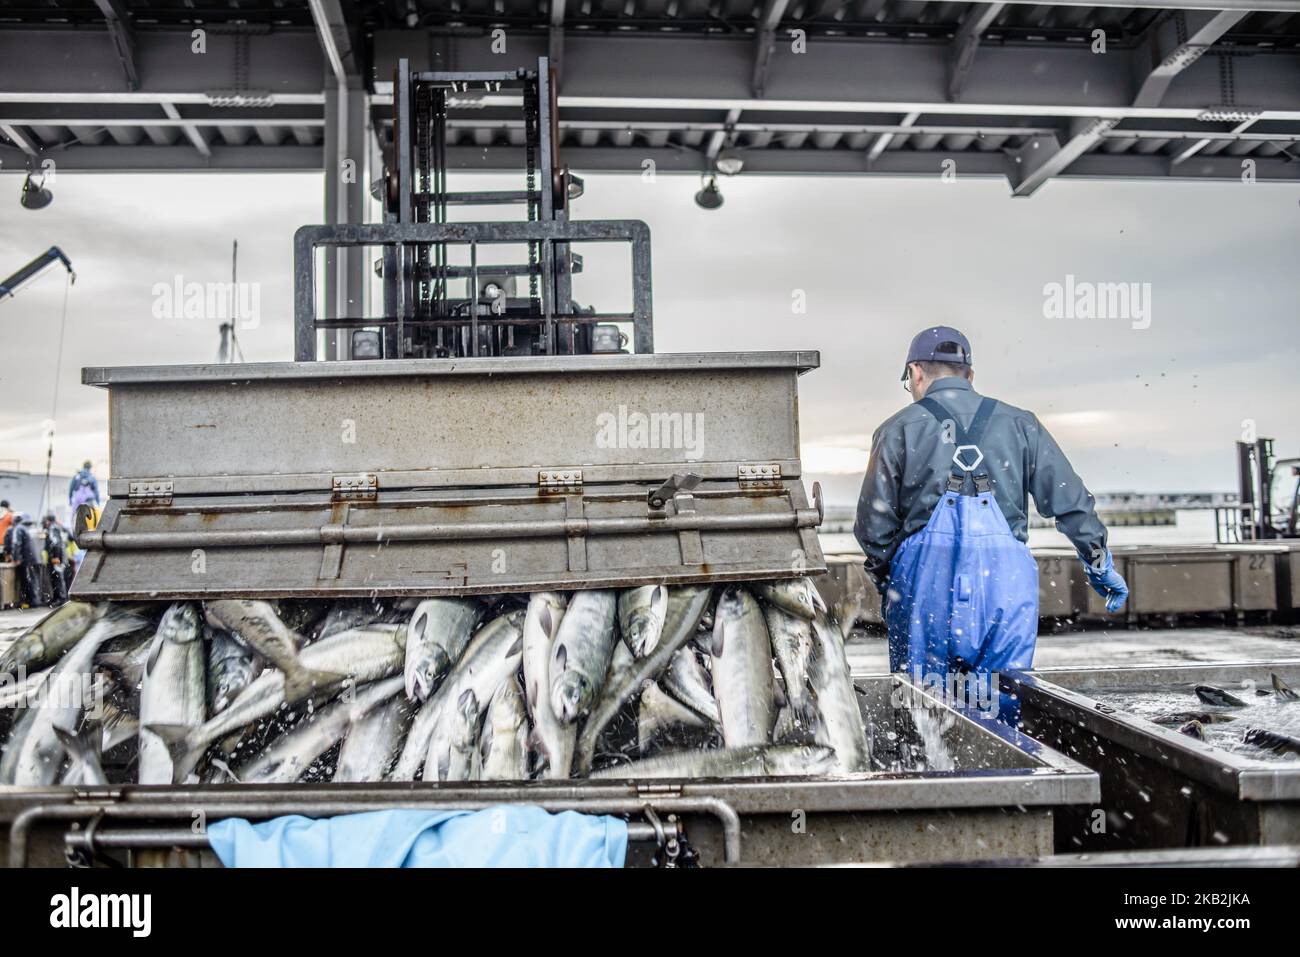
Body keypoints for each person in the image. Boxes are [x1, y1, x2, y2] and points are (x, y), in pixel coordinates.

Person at [854, 326, 1128, 723]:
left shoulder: (897, 429)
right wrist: (1097, 560)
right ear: (970, 375)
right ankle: (1004, 773)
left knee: (921, 709)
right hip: (1004, 583)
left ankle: (929, 778)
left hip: (926, 587)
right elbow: (1070, 502)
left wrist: (889, 578)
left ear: (915, 373)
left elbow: (873, 525)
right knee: (1003, 700)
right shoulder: (1022, 424)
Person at [6, 514, 45, 608]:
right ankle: (37, 599)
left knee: (30, 580)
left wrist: (16, 558)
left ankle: (34, 601)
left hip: (28, 559)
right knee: (35, 579)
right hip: (37, 558)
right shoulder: (29, 528)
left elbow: (16, 543)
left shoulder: (18, 528)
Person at [41, 512, 71, 605]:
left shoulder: (53, 528)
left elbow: (55, 543)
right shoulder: (59, 527)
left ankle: (61, 598)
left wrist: (56, 557)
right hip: (62, 557)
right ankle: (59, 598)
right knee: (58, 578)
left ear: (48, 521)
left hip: (57, 558)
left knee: (57, 578)